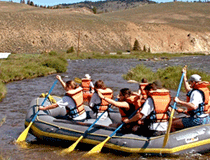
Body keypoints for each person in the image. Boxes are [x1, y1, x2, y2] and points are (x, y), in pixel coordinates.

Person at [171, 67, 210, 132]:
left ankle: (175, 140)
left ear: (194, 82)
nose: (189, 84)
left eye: (190, 82)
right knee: (176, 120)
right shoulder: (203, 90)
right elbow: (188, 89)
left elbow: (193, 106)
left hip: (197, 120)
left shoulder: (196, 92)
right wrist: (184, 75)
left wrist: (179, 101)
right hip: (206, 118)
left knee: (173, 124)